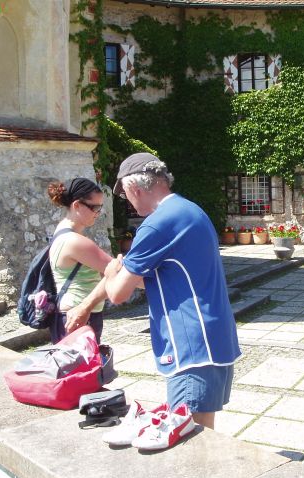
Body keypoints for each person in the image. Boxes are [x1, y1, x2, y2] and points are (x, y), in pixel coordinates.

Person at [103, 153, 241, 429]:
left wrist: (109, 275)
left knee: (186, 435)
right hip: (214, 337)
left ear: (134, 188)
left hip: (190, 346)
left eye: (125, 195)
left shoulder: (156, 224)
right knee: (203, 430)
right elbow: (168, 279)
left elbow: (117, 294)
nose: (127, 202)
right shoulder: (191, 211)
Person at [47, 178, 113, 343]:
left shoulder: (61, 232)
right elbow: (118, 271)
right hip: (79, 316)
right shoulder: (75, 241)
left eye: (100, 207)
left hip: (68, 314)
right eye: (94, 207)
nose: (98, 213)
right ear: (76, 205)